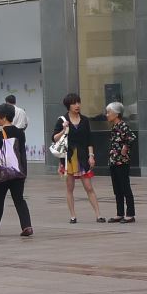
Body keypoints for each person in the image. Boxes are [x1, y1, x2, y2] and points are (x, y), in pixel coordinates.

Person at [0, 103, 32, 238]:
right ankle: (27, 226)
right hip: (18, 171)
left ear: (3, 117)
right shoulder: (20, 132)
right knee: (19, 199)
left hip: (3, 173)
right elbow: (20, 151)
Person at [52, 93, 103, 224]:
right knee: (70, 188)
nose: (77, 105)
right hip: (69, 159)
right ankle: (73, 216)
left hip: (82, 157)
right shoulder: (62, 120)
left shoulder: (85, 120)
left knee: (89, 187)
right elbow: (54, 138)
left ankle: (98, 215)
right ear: (68, 105)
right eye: (74, 103)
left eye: (78, 103)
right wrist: (64, 130)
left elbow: (89, 139)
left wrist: (91, 156)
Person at [105, 102, 136, 223]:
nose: (107, 115)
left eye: (109, 112)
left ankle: (130, 214)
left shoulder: (123, 126)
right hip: (113, 161)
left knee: (125, 187)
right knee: (117, 188)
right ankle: (119, 213)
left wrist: (126, 147)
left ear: (116, 114)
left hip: (122, 162)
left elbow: (132, 137)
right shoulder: (114, 126)